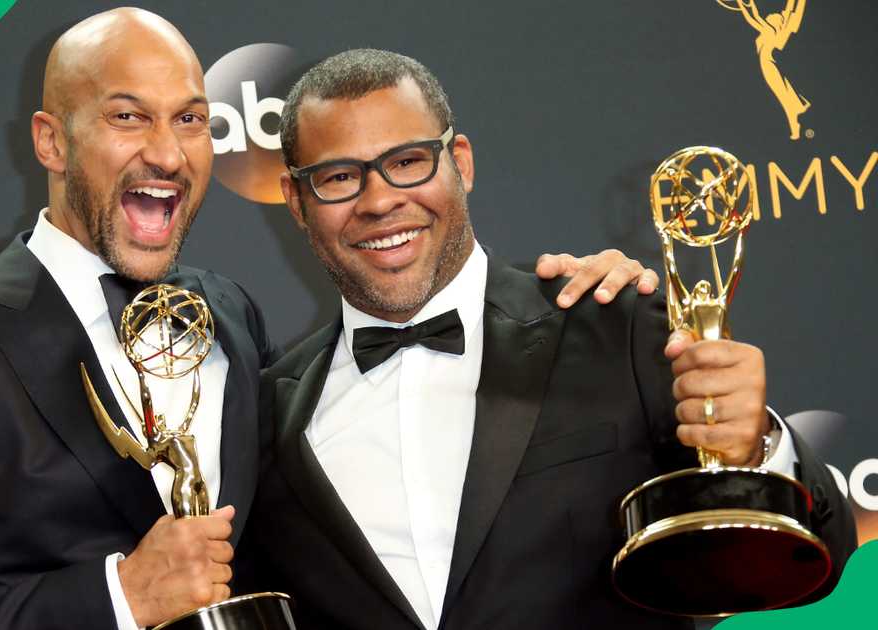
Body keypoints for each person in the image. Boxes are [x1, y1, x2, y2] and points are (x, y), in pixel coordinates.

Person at [0, 9, 652, 630]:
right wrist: (118, 595)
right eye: (127, 116)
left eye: (189, 118)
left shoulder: (228, 318)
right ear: (49, 140)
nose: (167, 151)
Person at [245, 49, 856, 630]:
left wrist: (755, 448)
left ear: (461, 162)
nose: (380, 200)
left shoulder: (616, 323)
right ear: (296, 201)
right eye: (339, 177)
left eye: (408, 162)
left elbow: (817, 557)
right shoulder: (262, 417)